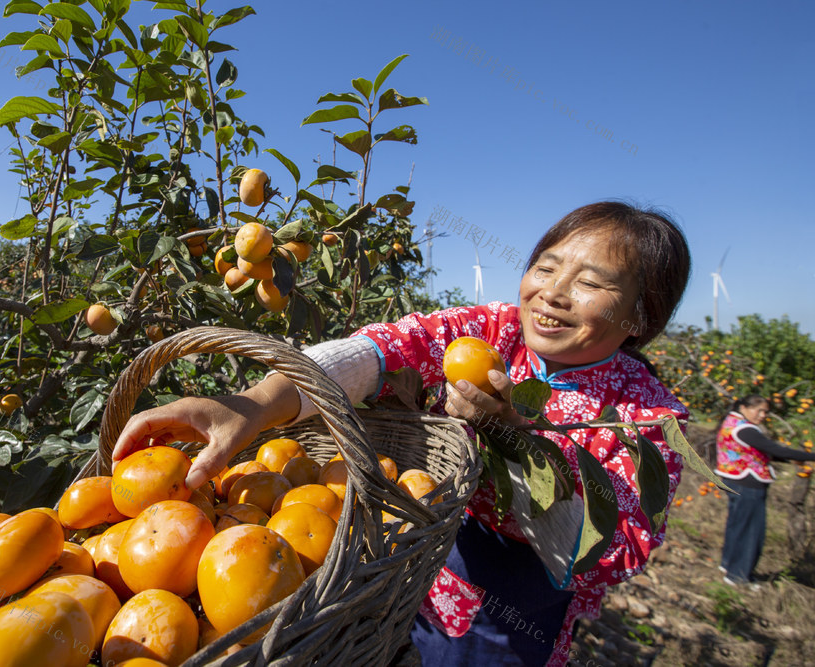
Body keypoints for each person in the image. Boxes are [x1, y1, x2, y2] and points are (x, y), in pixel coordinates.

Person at [111, 201, 692, 666]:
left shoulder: (644, 417)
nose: (553, 292)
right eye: (545, 266)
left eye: (590, 282)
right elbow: (381, 352)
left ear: (640, 317)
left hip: (513, 608)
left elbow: (607, 549)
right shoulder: (492, 331)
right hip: (416, 562)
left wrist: (518, 448)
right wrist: (255, 403)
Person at [716, 394, 815, 589]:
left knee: (737, 525)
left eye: (765, 412)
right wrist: (810, 456)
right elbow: (777, 450)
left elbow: (757, 451)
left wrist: (791, 459)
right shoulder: (746, 429)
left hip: (734, 479)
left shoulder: (731, 421)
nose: (762, 415)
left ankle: (728, 564)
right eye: (758, 410)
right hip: (749, 484)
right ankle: (738, 575)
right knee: (751, 532)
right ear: (743, 407)